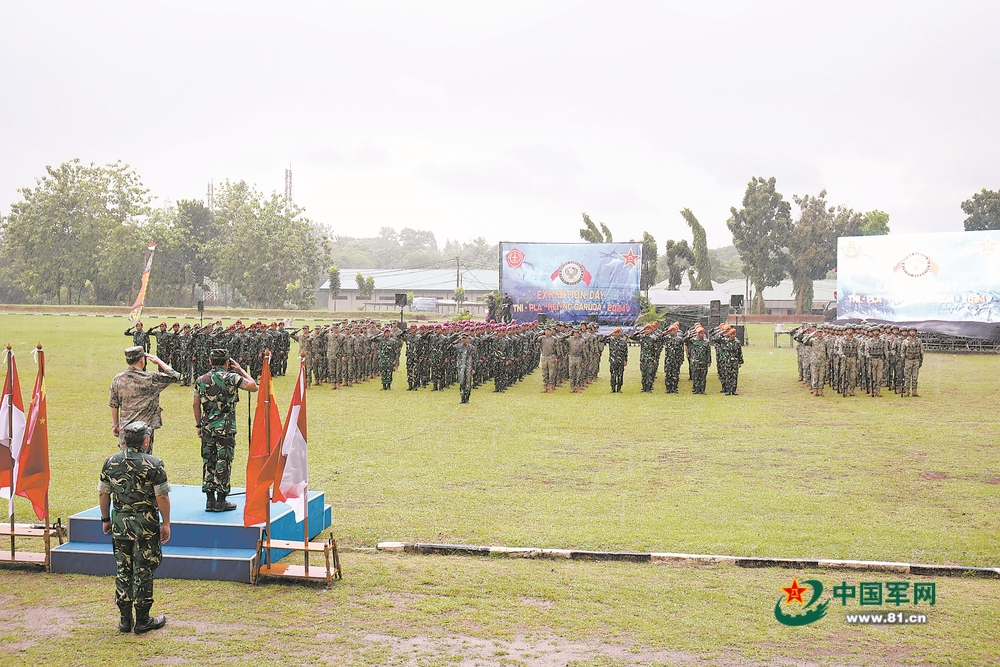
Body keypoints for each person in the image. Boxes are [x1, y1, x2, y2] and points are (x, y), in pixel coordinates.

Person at [97, 420, 171, 634]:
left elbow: (104, 493)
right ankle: (143, 619)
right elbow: (162, 496)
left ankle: (125, 620)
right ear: (146, 441)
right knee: (144, 569)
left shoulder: (110, 462)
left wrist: (105, 520)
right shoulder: (154, 464)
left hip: (120, 525)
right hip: (146, 526)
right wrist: (165, 523)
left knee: (123, 570)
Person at [193, 349, 258, 512]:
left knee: (209, 462)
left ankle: (209, 500)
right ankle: (221, 500)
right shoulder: (232, 378)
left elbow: (196, 404)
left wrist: (199, 425)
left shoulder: (201, 379)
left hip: (207, 427)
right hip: (226, 428)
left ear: (210, 362)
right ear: (227, 362)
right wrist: (241, 370)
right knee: (224, 462)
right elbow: (253, 386)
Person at [109, 347, 181, 453]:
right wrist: (158, 361)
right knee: (144, 462)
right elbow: (175, 376)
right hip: (144, 430)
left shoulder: (118, 379)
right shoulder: (150, 378)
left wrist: (115, 425)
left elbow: (114, 404)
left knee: (126, 461)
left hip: (125, 428)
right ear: (142, 360)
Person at [607, 327, 628, 392]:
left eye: (617, 332)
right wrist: (609, 335)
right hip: (613, 360)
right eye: (615, 332)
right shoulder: (611, 339)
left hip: (620, 361)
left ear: (620, 333)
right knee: (613, 374)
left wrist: (625, 360)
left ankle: (619, 388)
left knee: (620, 375)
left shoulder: (623, 341)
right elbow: (601, 340)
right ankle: (613, 388)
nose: (616, 334)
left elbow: (625, 351)